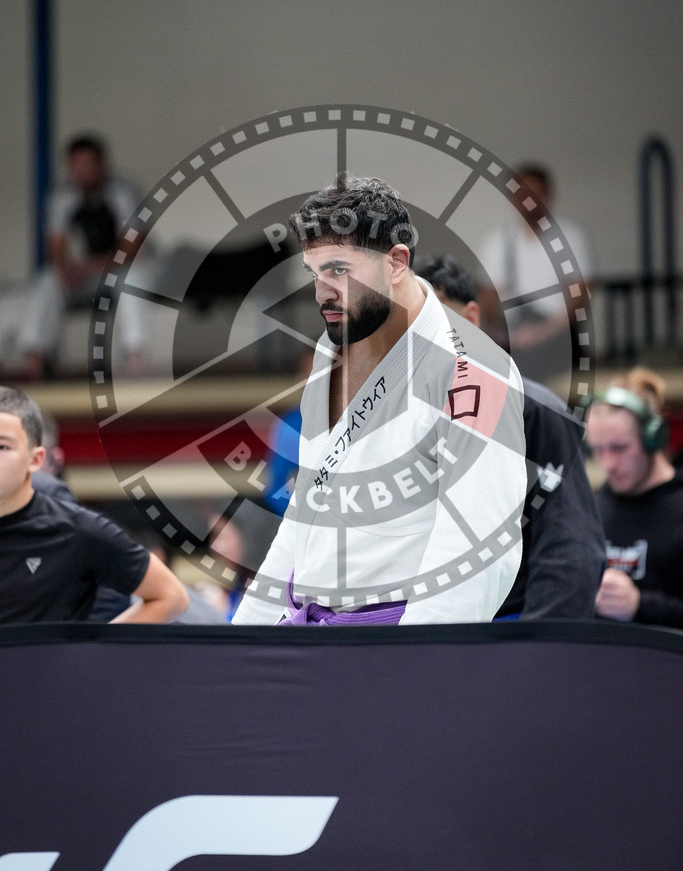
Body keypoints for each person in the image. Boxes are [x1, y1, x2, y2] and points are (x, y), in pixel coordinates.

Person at [232, 173, 526, 626]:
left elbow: (479, 550)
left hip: (394, 652)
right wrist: (246, 640)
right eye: (314, 273)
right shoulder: (330, 352)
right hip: (309, 646)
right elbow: (304, 516)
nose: (321, 293)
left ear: (396, 262)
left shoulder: (475, 370)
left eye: (338, 270)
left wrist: (407, 670)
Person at [416, 255, 605, 620]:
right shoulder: (394, 419)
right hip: (420, 635)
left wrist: (536, 657)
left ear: (470, 318)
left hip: (509, 632)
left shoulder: (533, 411)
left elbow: (569, 551)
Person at [0, 385, 188, 624]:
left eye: (2, 447)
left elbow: (171, 596)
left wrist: (92, 655)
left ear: (35, 460)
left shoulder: (75, 529)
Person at [12, 134, 147, 378]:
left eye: (89, 164)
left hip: (116, 273)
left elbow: (131, 249)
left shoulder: (122, 191)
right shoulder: (62, 197)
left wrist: (88, 267)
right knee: (47, 280)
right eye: (77, 165)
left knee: (134, 278)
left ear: (102, 165)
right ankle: (35, 356)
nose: (84, 171)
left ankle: (134, 354)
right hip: (86, 278)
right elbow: (56, 250)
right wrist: (68, 270)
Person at [585, 367, 683, 628]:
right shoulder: (595, 508)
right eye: (598, 450)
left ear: (653, 438)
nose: (609, 464)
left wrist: (640, 605)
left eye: (619, 448)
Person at [479, 163, 592, 384]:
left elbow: (580, 295)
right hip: (516, 335)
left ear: (548, 195)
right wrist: (500, 333)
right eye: (521, 193)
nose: (527, 200)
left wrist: (542, 333)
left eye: (534, 192)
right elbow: (489, 294)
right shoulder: (499, 241)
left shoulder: (571, 236)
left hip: (559, 333)